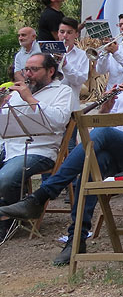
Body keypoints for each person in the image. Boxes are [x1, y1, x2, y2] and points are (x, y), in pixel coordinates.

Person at [0, 49, 123, 264]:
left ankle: (42, 195)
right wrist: (106, 108)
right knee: (89, 169)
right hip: (117, 153)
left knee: (103, 134)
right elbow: (103, 124)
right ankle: (76, 240)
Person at [0, 53, 73, 240]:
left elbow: (59, 121)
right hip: (9, 146)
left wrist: (29, 99)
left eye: (34, 70)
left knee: (5, 179)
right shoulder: (15, 94)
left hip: (39, 150)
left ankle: (7, 222)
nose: (28, 74)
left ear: (50, 71)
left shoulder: (62, 91)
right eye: (26, 69)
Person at [57, 17, 90, 150]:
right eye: (62, 32)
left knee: (69, 145)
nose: (65, 36)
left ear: (76, 34)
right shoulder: (47, 54)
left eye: (69, 32)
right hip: (51, 105)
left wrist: (65, 64)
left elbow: (80, 79)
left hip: (70, 106)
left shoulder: (82, 55)